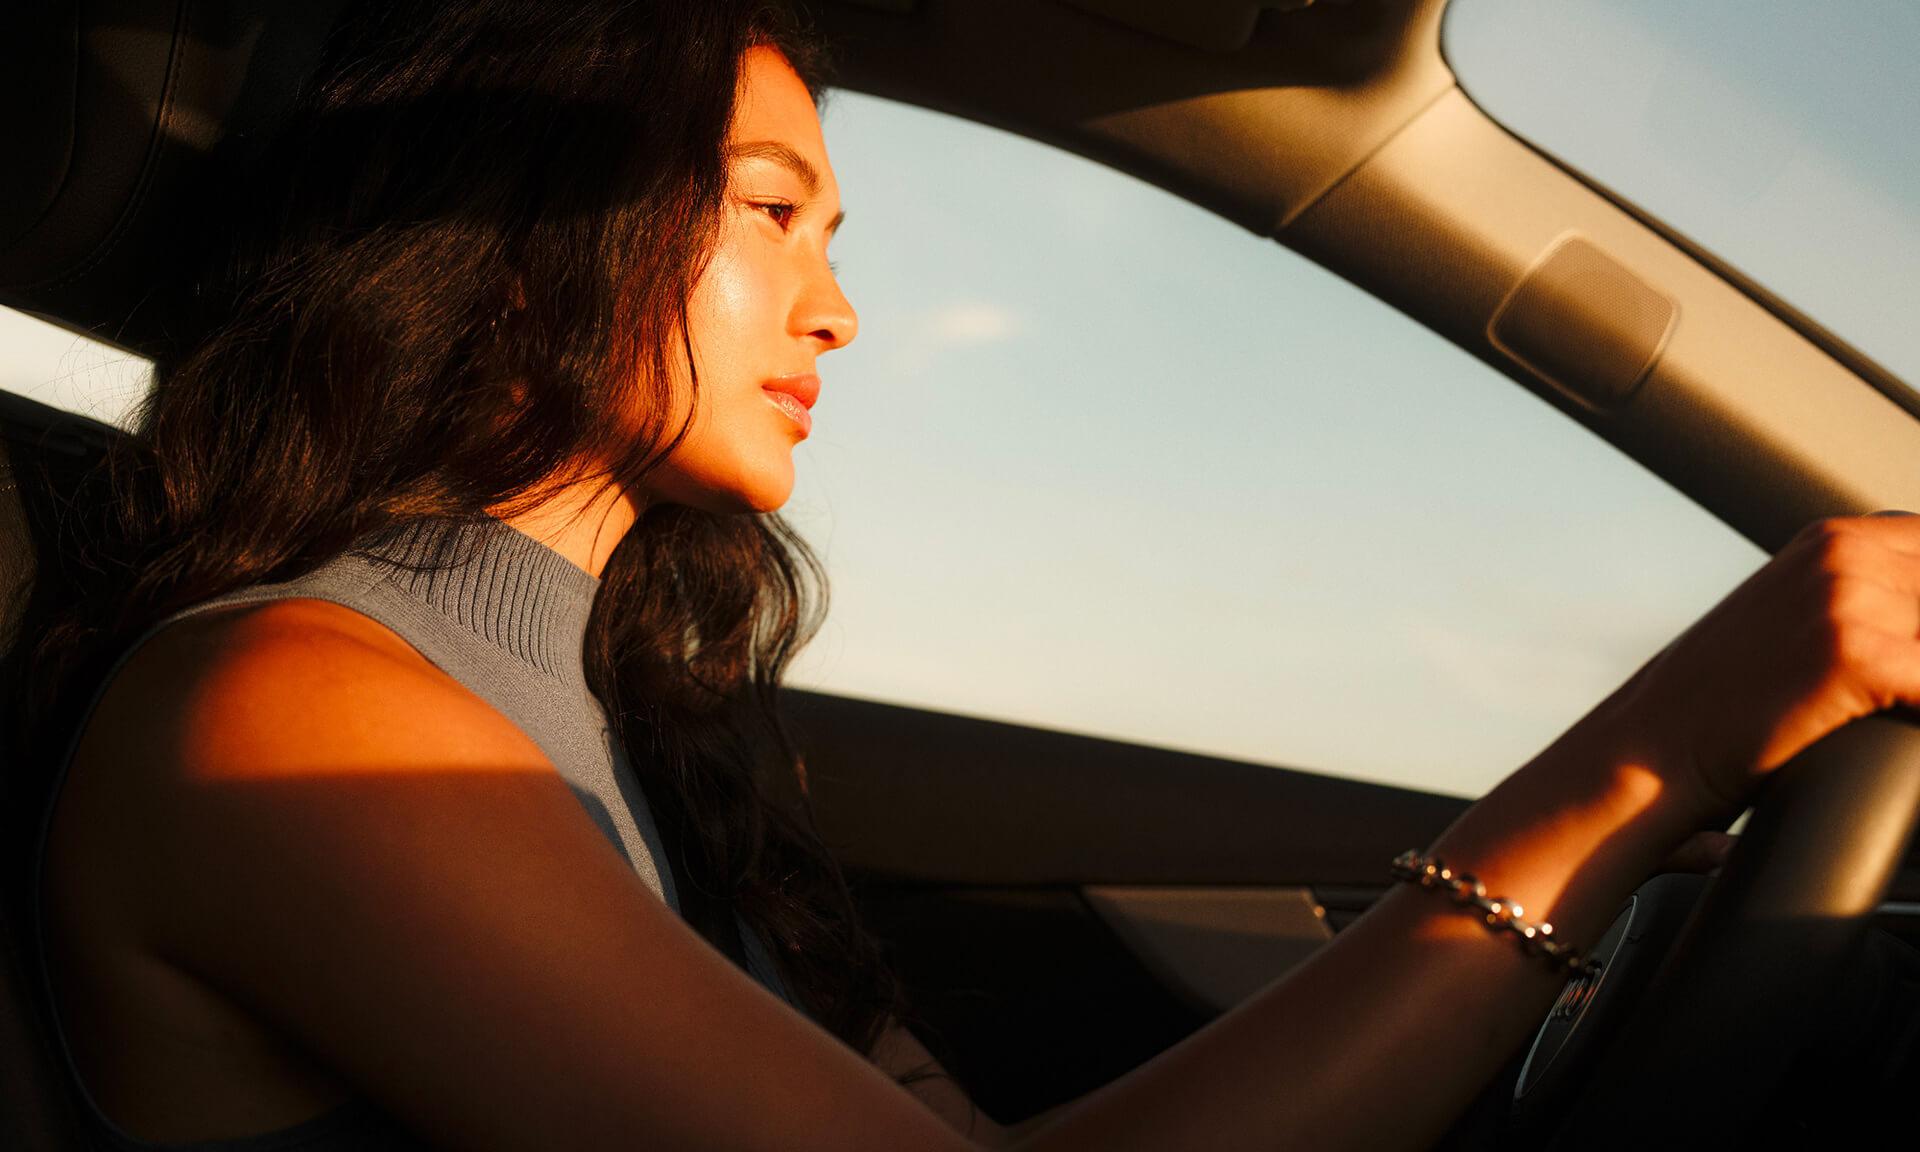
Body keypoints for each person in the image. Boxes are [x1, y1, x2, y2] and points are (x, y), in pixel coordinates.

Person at [10, 0, 1920, 1148]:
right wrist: (1659, 744)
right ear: (522, 235)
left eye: (832, 229)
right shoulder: (286, 714)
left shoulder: (623, 724)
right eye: (772, 211)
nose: (838, 307)